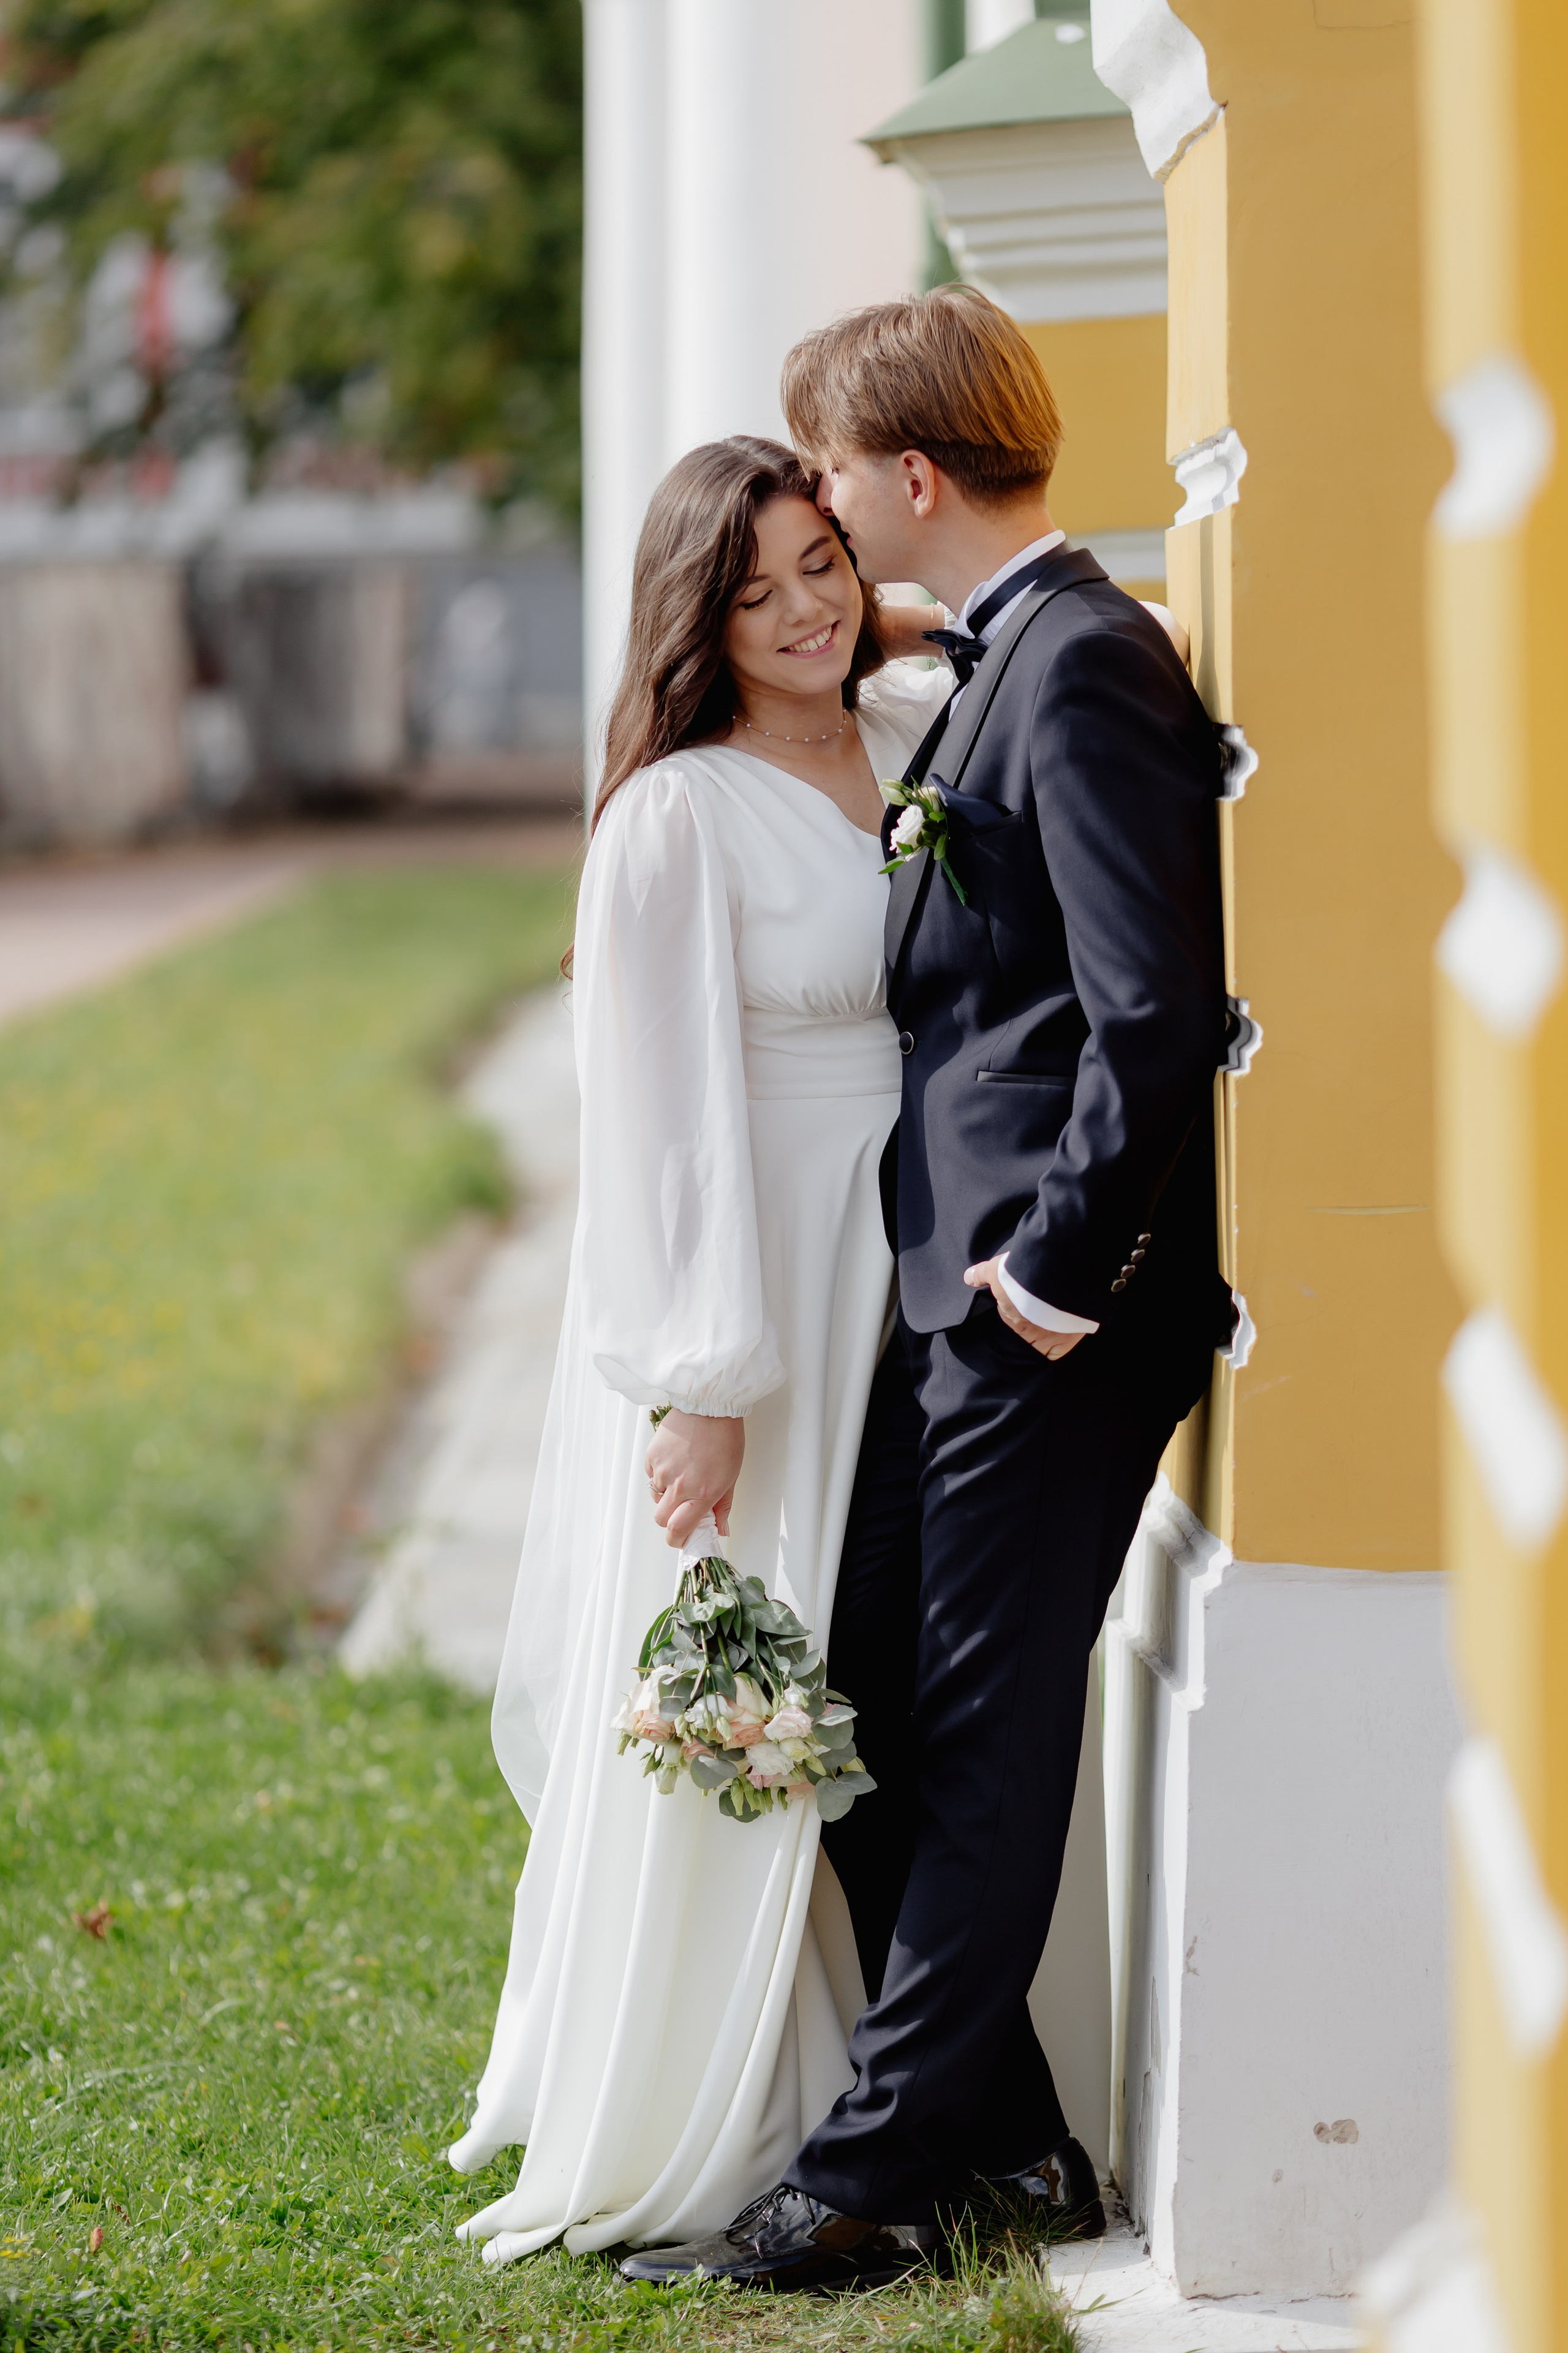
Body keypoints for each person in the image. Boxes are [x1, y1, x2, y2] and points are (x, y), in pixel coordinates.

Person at [621, 288, 1234, 2292]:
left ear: (902, 474)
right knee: (869, 1691)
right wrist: (863, 615)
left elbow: (1153, 1014)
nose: (818, 515)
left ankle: (867, 2183)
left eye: (829, 479)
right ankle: (1015, 2138)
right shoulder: (1003, 653)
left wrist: (1054, 1271)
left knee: (970, 1726)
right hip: (955, 1304)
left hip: (1039, 1308)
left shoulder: (1076, 663)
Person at [447, 436, 955, 2267]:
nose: (805, 608)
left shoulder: (910, 729)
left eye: (822, 562)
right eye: (755, 592)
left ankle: (933, 2072)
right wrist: (706, 1381)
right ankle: (729, 2082)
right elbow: (661, 1121)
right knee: (775, 1662)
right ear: (700, 621)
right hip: (775, 1279)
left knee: (910, 1659)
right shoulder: (675, 816)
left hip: (920, 1255)